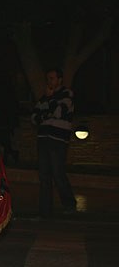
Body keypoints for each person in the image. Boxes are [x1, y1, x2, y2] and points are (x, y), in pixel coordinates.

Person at [31, 69, 77, 218]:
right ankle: (45, 210)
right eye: (48, 78)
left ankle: (69, 204)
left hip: (58, 140)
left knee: (58, 174)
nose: (49, 81)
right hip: (43, 139)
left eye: (52, 78)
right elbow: (34, 118)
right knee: (44, 176)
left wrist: (47, 108)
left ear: (59, 80)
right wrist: (46, 105)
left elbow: (58, 112)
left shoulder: (67, 94)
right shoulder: (45, 97)